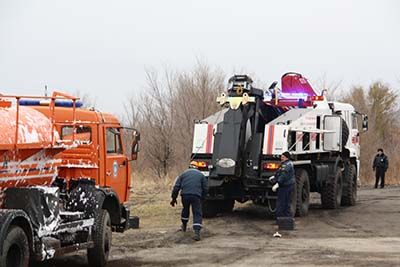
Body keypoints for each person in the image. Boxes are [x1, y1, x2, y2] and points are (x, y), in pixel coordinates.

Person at [170, 164, 208, 241]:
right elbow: (205, 188)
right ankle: (196, 233)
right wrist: (203, 198)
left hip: (185, 195)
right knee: (197, 212)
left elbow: (176, 187)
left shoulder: (183, 174)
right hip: (196, 196)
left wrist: (173, 199)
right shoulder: (201, 175)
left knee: (185, 209)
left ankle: (184, 226)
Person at [270, 151, 296, 220]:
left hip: (286, 186)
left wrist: (277, 183)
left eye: (283, 157)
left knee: (284, 203)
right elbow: (279, 173)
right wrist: (274, 177)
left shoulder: (287, 165)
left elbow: (284, 175)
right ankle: (283, 218)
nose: (281, 158)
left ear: (287, 158)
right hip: (285, 186)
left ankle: (285, 219)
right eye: (281, 157)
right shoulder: (284, 164)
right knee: (284, 202)